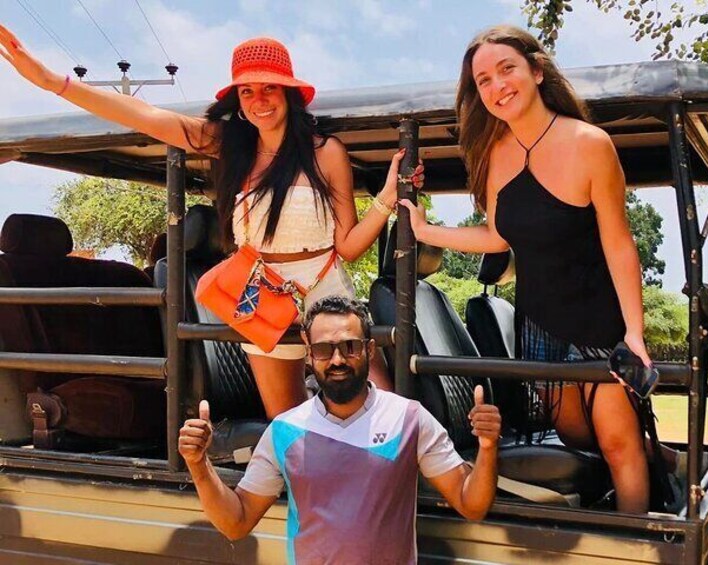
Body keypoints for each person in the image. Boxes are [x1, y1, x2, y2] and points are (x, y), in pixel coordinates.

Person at [0, 28, 423, 419]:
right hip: (262, 296)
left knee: (382, 411)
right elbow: (145, 115)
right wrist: (52, 82)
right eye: (247, 91)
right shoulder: (229, 145)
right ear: (237, 99)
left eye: (269, 87)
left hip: (326, 291)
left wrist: (386, 199)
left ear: (289, 92)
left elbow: (348, 246)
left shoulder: (325, 152)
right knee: (288, 422)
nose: (259, 100)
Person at [399, 25, 672, 514]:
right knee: (576, 434)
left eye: (507, 69)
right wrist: (424, 230)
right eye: (483, 80)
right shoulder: (492, 154)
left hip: (599, 320)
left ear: (537, 71)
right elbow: (497, 236)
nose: (497, 86)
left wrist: (634, 331)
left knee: (617, 444)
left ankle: (635, 539)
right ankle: (666, 460)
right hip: (540, 324)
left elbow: (619, 242)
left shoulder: (590, 143)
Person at [178, 295, 501, 563]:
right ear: (309, 355)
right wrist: (198, 464)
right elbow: (236, 523)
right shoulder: (285, 430)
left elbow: (470, 504)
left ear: (369, 350)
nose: (337, 360)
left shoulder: (408, 418)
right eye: (324, 349)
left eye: (350, 347)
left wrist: (487, 446)